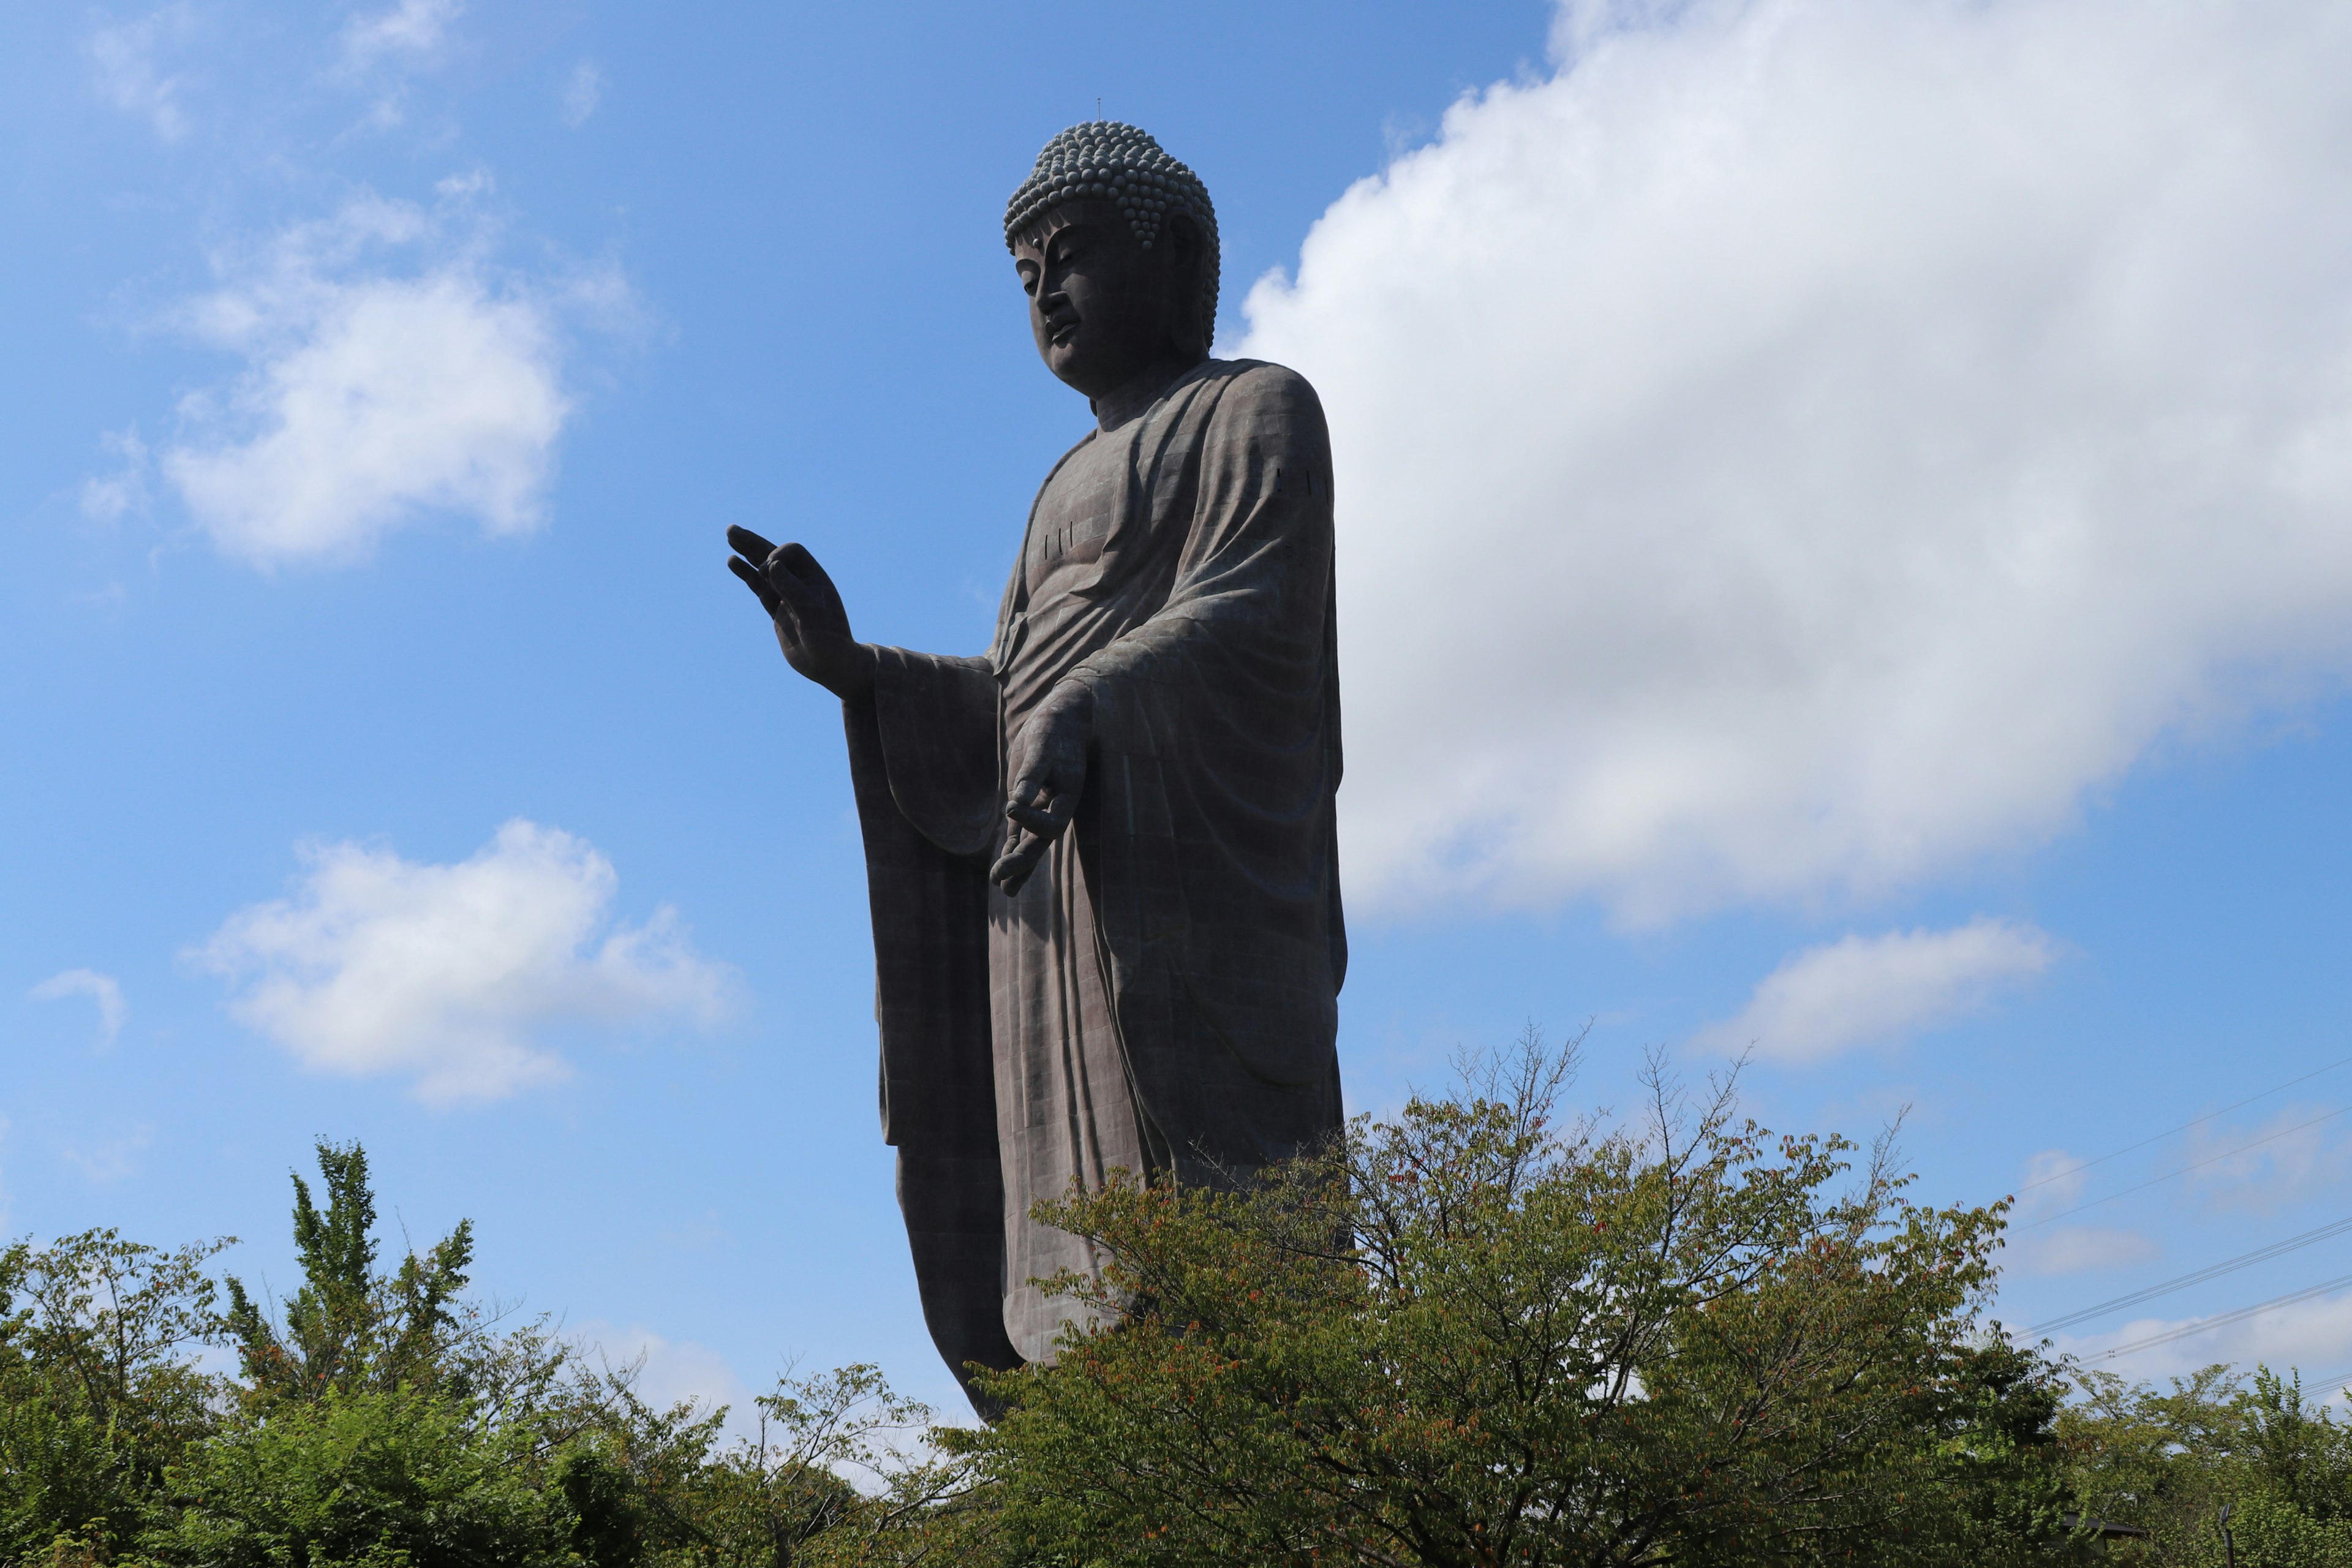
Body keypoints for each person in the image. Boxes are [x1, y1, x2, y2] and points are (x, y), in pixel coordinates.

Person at [726, 121, 1345, 1414]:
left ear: (1173, 256)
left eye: (1071, 257)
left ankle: (1247, 1442)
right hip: (1051, 881)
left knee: (1208, 1249)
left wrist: (1093, 700)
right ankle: (1088, 1428)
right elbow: (1009, 687)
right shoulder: (1061, 476)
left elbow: (1254, 603)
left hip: (1178, 880)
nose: (1047, 294)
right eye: (1025, 276)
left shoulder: (1251, 406)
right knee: (1065, 1225)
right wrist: (865, 672)